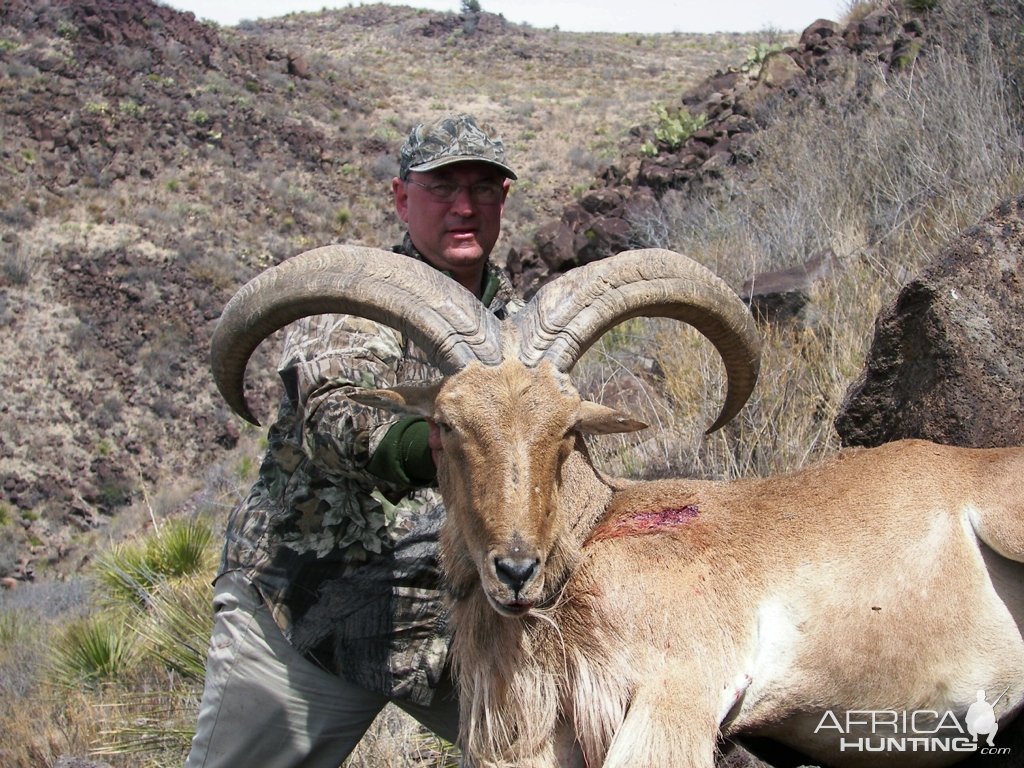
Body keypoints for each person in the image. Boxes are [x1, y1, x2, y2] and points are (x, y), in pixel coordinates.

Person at [186, 114, 521, 768]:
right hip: (303, 609)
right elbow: (337, 415)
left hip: (448, 620)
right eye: (442, 186)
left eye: (484, 188)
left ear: (503, 201)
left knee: (573, 749)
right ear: (401, 198)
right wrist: (438, 444)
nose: (464, 205)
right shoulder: (357, 296)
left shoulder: (518, 329)